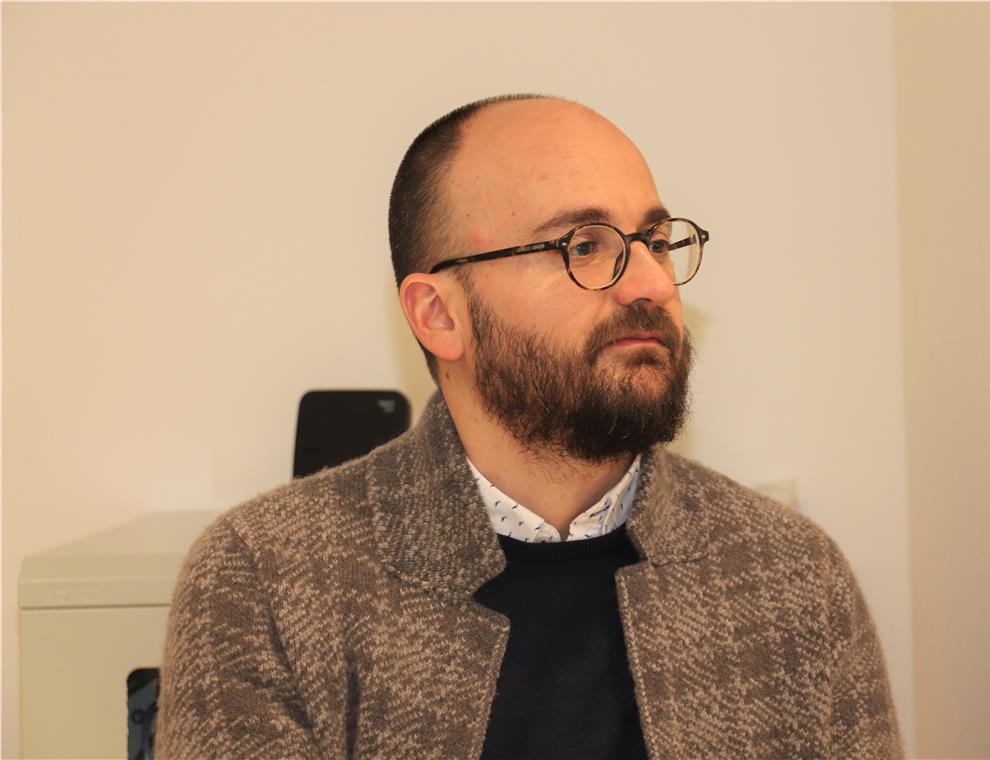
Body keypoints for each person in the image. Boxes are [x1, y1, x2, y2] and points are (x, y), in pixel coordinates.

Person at [156, 94, 904, 759]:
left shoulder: (789, 576)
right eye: (583, 245)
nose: (651, 284)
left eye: (654, 242)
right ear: (439, 314)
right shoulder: (268, 581)